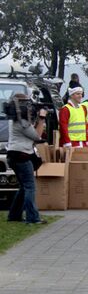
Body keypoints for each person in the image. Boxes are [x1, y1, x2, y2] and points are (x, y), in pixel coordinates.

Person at [6, 94, 47, 224]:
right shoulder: (22, 123)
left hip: (14, 156)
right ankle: (32, 218)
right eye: (27, 105)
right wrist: (41, 118)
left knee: (24, 187)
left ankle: (14, 215)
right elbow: (37, 136)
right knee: (30, 187)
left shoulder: (15, 120)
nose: (29, 108)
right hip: (22, 156)